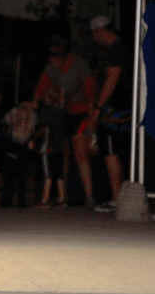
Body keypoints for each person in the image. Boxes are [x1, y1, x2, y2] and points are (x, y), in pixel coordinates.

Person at [22, 34, 96, 208]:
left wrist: (92, 119)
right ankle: (62, 198)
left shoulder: (80, 66)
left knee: (80, 155)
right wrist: (35, 102)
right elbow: (41, 86)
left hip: (80, 113)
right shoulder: (51, 66)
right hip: (59, 115)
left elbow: (90, 93)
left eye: (54, 60)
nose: (51, 64)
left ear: (64, 57)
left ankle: (89, 196)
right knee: (59, 155)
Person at [84, 14, 129, 212]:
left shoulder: (117, 49)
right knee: (110, 151)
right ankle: (117, 196)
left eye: (94, 33)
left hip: (115, 108)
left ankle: (117, 198)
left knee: (111, 151)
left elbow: (112, 78)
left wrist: (98, 107)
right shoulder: (111, 50)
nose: (94, 38)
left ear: (101, 30)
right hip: (114, 107)